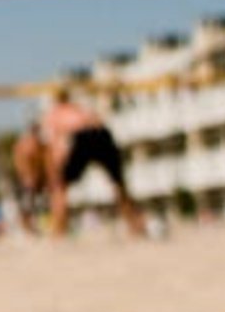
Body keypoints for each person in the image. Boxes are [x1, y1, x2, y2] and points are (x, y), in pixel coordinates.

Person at [42, 89, 147, 238]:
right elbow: (98, 121)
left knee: (60, 187)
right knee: (118, 183)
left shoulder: (55, 114)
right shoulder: (79, 109)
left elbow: (56, 143)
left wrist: (56, 166)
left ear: (55, 99)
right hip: (101, 134)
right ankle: (134, 225)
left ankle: (59, 230)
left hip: (81, 138)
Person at [11, 119, 50, 235]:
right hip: (27, 179)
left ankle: (31, 227)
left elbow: (44, 163)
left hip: (36, 179)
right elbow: (20, 161)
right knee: (27, 205)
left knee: (34, 205)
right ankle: (26, 228)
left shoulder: (40, 144)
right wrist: (26, 176)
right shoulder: (26, 144)